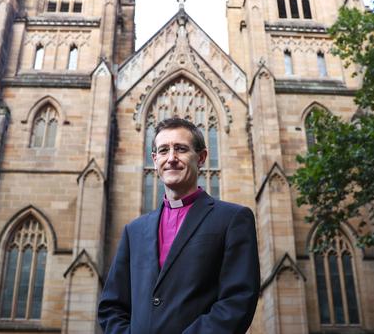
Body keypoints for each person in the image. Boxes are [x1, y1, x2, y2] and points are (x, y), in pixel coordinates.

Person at [98, 117, 260, 333]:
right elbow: (112, 306)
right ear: (155, 160)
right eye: (163, 150)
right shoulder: (134, 231)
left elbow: (238, 301)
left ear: (201, 158)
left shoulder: (233, 218)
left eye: (181, 149)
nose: (171, 158)